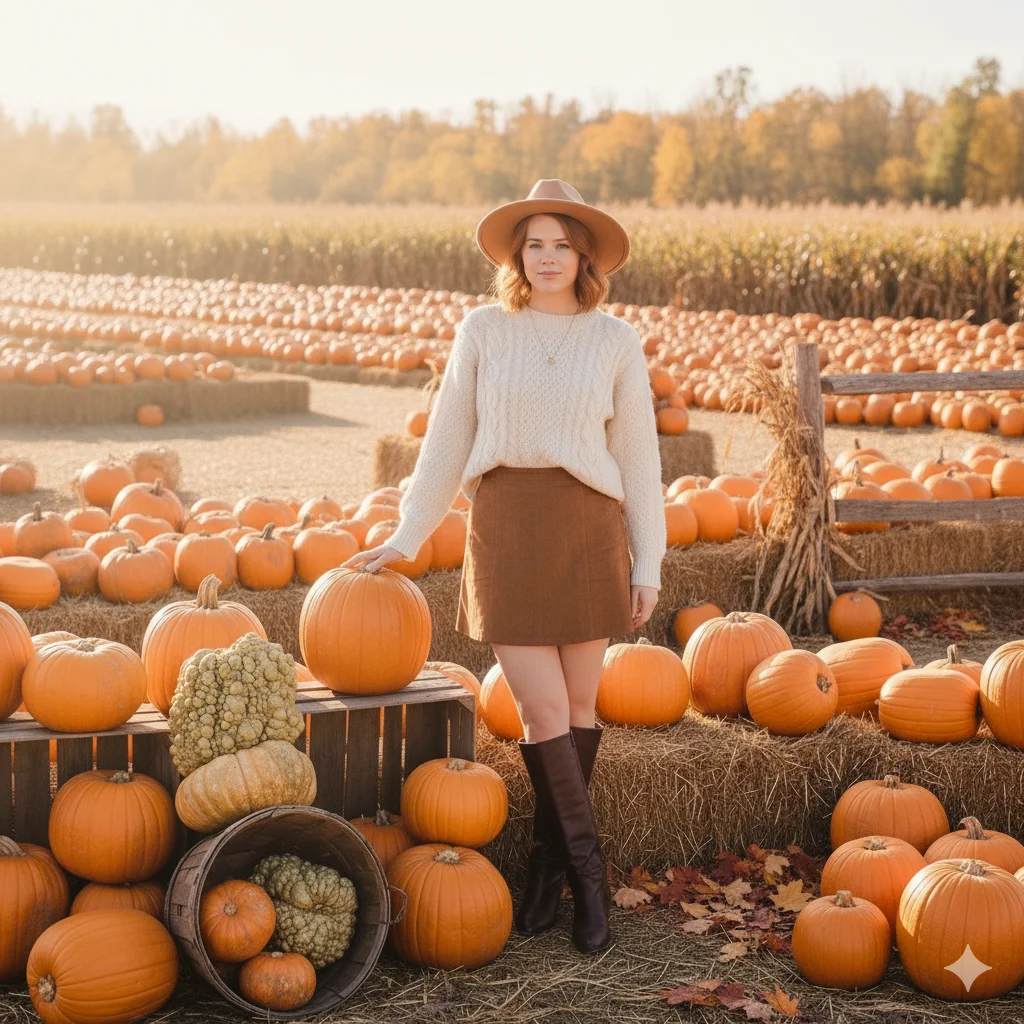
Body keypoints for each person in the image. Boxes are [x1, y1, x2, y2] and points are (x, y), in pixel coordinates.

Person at [342, 179, 666, 953]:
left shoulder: (615, 340)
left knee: (582, 710)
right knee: (543, 712)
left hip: (589, 528)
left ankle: (548, 871)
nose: (548, 257)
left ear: (584, 254)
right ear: (517, 255)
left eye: (562, 244)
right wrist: (409, 534)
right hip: (507, 527)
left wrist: (646, 561)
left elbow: (639, 458)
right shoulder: (483, 329)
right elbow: (447, 440)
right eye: (535, 244)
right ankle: (589, 877)